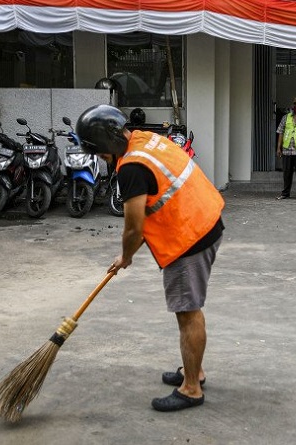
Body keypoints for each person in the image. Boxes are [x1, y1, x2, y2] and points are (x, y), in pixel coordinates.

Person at [76, 104, 224, 412]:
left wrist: (126, 256)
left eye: (99, 151)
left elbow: (134, 227)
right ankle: (194, 369)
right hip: (203, 219)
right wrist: (125, 256)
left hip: (188, 236)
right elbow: (153, 207)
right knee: (189, 308)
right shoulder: (144, 139)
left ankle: (192, 388)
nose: (100, 158)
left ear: (108, 144)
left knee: (188, 312)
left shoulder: (131, 168)